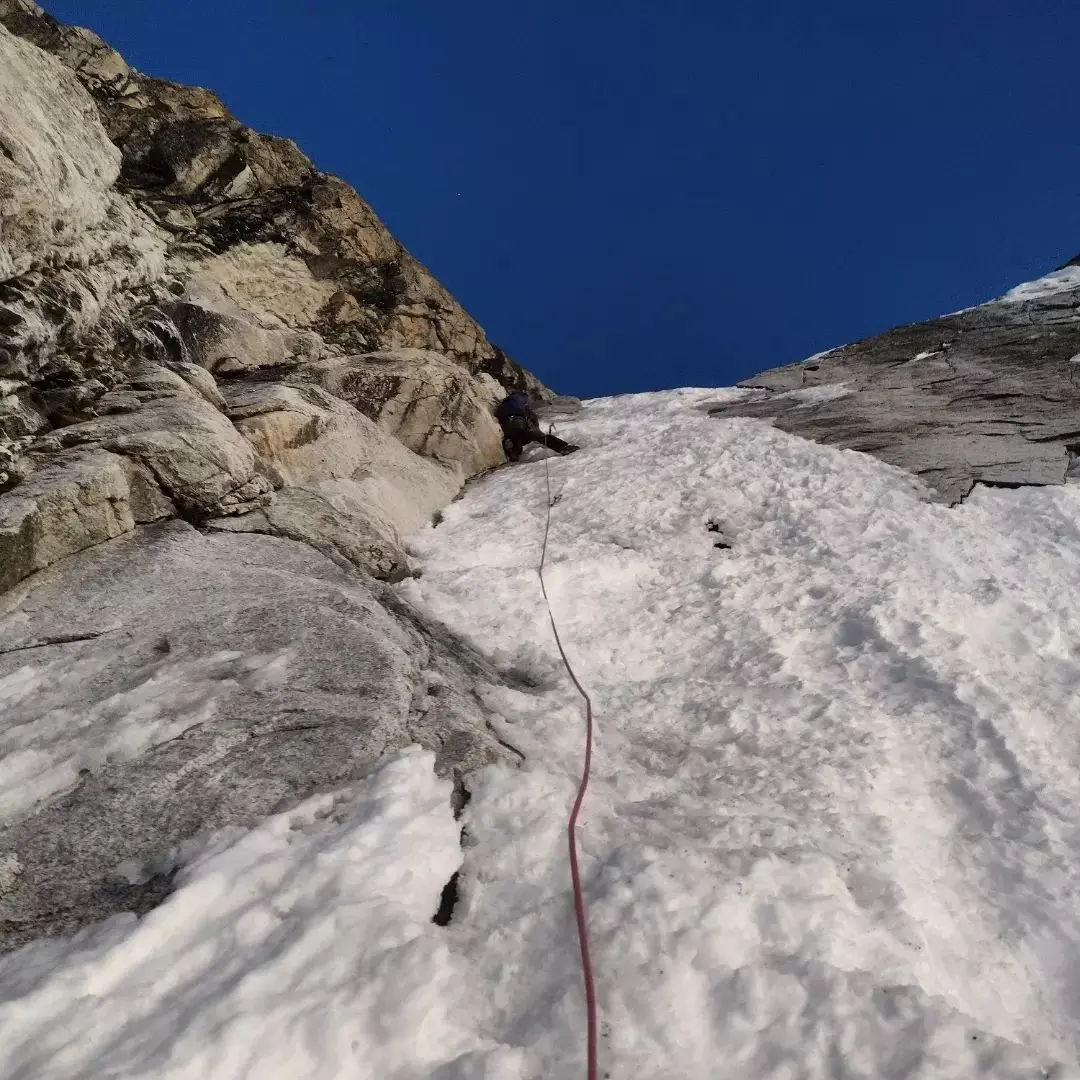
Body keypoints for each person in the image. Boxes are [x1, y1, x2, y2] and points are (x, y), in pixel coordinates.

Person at [494, 391, 579, 462]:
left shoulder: (505, 405)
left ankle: (513, 453)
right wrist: (537, 431)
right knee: (542, 438)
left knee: (515, 440)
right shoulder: (524, 408)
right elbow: (533, 419)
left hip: (509, 429)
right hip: (525, 427)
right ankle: (563, 447)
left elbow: (499, 415)